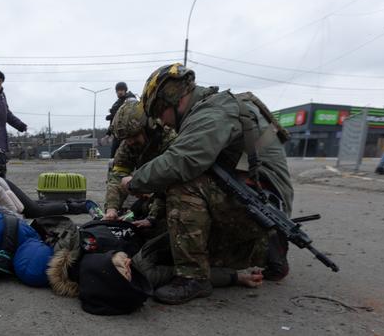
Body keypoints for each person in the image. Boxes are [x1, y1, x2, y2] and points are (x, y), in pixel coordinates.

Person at [120, 63, 293, 305]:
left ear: (171, 99)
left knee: (183, 185)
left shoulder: (212, 113)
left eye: (160, 113)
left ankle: (194, 277)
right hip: (258, 202)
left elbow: (180, 162)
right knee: (168, 232)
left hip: (261, 204)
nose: (163, 122)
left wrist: (134, 182)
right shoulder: (215, 108)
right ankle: (265, 249)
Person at [103, 100, 177, 228]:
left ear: (148, 126)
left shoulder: (169, 140)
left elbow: (171, 182)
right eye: (126, 138)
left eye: (134, 136)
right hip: (154, 195)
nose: (130, 142)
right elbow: (117, 177)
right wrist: (111, 208)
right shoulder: (128, 145)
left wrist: (152, 218)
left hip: (174, 194)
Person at [105, 82, 137, 157]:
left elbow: (131, 114)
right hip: (118, 134)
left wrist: (115, 114)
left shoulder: (130, 100)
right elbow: (113, 121)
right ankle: (112, 168)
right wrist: (108, 133)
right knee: (113, 155)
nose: (119, 92)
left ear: (125, 90)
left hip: (128, 133)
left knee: (128, 155)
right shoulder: (116, 103)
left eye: (121, 90)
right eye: (118, 90)